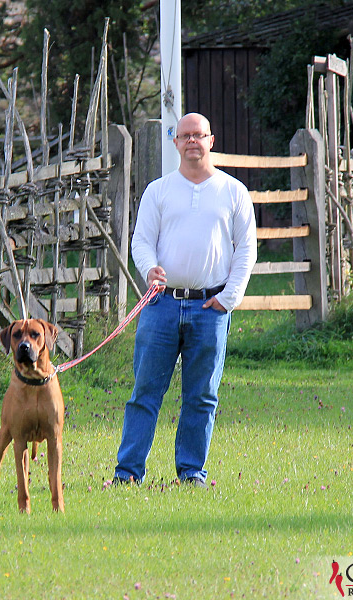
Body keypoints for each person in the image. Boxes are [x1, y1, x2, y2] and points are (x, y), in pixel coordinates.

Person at [113, 112, 257, 488]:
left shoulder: (233, 191)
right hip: (161, 305)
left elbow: (246, 250)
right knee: (145, 391)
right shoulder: (159, 191)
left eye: (199, 135)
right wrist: (149, 270)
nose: (192, 141)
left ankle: (192, 472)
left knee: (202, 395)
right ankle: (128, 473)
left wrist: (229, 298)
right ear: (175, 142)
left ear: (211, 141)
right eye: (185, 135)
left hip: (211, 308)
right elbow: (141, 240)